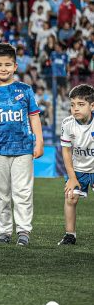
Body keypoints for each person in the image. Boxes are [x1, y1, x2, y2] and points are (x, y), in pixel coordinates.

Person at [0, 43, 43, 246]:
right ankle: (4, 232)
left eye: (8, 64)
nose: (3, 68)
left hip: (23, 148)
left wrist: (39, 141)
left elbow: (34, 117)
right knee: (1, 193)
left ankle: (23, 231)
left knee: (23, 192)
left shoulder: (25, 90)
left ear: (15, 66)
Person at [58, 84, 94, 245]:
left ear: (92, 106)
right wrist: (72, 178)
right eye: (72, 105)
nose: (75, 109)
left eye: (81, 104)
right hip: (78, 168)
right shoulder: (67, 124)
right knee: (71, 197)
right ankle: (70, 235)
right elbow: (66, 152)